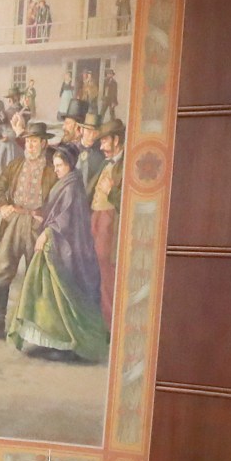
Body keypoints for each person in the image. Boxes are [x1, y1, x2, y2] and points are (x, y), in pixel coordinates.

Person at [8, 142, 111, 362]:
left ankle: (66, 342)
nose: (55, 169)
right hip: (55, 244)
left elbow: (66, 219)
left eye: (59, 166)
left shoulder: (73, 186)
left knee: (59, 295)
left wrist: (47, 232)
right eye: (54, 165)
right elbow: (56, 211)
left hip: (66, 249)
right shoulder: (66, 182)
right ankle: (51, 338)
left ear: (70, 165)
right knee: (45, 293)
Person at [0, 121, 55, 342]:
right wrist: (3, 205)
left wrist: (47, 215)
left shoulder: (53, 169)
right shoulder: (16, 164)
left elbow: (61, 198)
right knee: (3, 269)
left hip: (38, 225)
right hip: (14, 222)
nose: (30, 146)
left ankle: (34, 328)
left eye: (34, 142)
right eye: (27, 142)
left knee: (37, 274)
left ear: (44, 143)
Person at [91, 121, 125, 320]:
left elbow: (129, 200)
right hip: (96, 219)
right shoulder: (107, 163)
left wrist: (110, 191)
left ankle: (110, 322)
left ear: (117, 140)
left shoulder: (126, 165)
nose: (102, 147)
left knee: (106, 270)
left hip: (110, 225)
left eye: (105, 142)